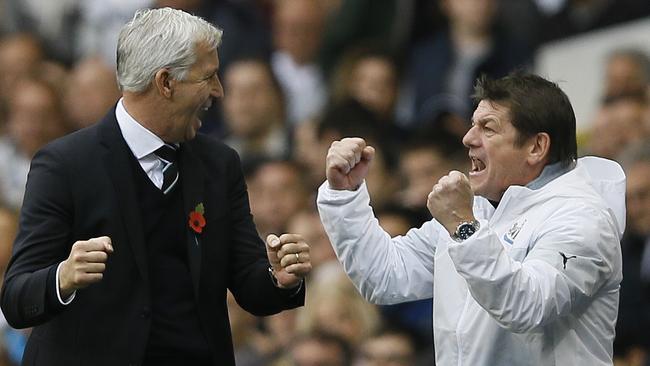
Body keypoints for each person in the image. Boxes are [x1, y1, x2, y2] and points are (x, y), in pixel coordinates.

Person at [0, 8, 312, 366]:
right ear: (166, 83)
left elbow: (249, 284)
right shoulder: (65, 165)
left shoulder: (219, 164)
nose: (219, 91)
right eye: (208, 77)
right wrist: (63, 277)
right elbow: (16, 299)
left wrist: (279, 279)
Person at [317, 72, 626, 365]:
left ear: (536, 146)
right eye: (472, 125)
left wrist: (464, 228)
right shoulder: (479, 209)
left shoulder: (583, 219)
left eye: (487, 128)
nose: (467, 138)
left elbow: (526, 307)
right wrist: (345, 195)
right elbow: (384, 276)